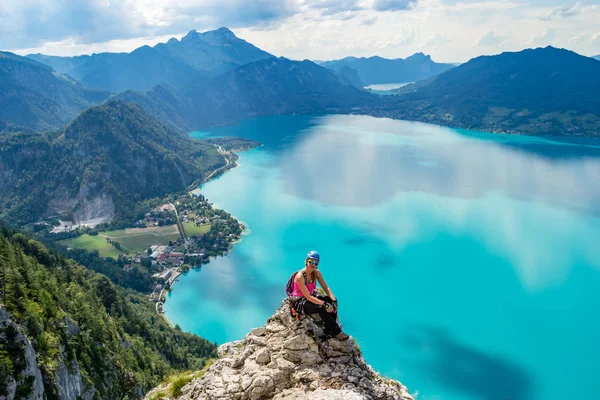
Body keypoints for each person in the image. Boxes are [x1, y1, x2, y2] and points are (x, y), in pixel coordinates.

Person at [291, 251, 349, 340]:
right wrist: (324, 304)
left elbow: (326, 287)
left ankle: (330, 327)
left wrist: (333, 299)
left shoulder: (316, 273)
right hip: (300, 301)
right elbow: (308, 297)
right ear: (306, 261)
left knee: (331, 301)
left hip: (311, 296)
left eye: (315, 263)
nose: (313, 264)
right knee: (321, 308)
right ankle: (336, 332)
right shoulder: (300, 276)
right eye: (311, 262)